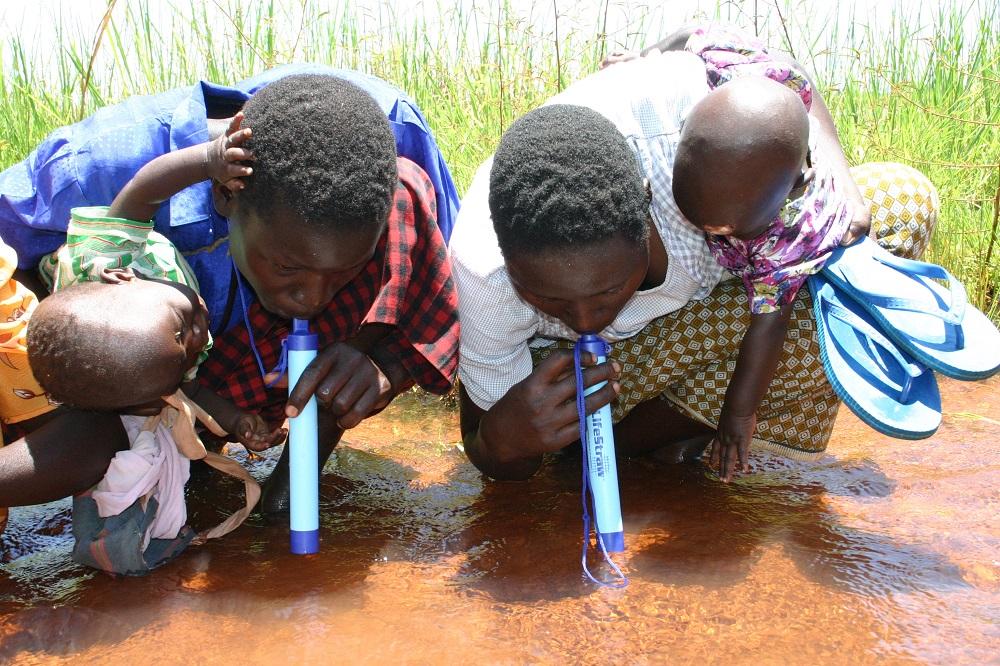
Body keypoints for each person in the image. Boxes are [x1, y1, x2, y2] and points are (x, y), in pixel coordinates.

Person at [449, 24, 938, 482]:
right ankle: (583, 450)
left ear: (648, 203)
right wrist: (505, 441)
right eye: (547, 298)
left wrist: (834, 164)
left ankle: (643, 440)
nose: (583, 321)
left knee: (900, 207)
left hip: (694, 322)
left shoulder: (707, 144)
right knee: (534, 435)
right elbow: (482, 444)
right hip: (569, 378)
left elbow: (789, 81)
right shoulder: (483, 269)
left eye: (606, 292)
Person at [0, 69, 460, 514]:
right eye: (286, 266)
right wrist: (84, 364)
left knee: (405, 195)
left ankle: (278, 487)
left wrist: (388, 365)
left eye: (343, 273)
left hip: (212, 354)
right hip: (111, 346)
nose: (314, 300)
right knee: (117, 422)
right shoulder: (91, 168)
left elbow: (441, 281)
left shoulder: (396, 138)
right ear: (224, 194)